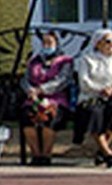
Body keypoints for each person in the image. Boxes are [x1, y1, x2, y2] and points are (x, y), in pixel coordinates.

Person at [74, 27, 112, 168]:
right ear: (97, 43)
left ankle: (102, 150)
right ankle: (108, 153)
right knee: (94, 112)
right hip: (91, 96)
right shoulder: (87, 59)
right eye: (108, 41)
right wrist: (100, 89)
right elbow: (84, 82)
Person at [20, 30, 74, 165]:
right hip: (33, 99)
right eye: (44, 43)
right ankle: (36, 154)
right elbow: (25, 79)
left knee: (50, 118)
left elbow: (63, 80)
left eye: (49, 42)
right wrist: (31, 91)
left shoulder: (65, 61)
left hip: (56, 98)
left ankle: (46, 154)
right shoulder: (34, 61)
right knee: (27, 118)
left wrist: (42, 90)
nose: (46, 45)